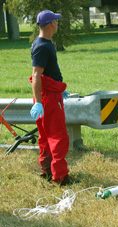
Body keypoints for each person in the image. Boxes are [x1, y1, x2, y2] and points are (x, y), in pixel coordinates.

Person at [30, 10, 76, 186]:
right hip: (48, 98)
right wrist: (40, 102)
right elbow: (36, 75)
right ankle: (60, 178)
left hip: (48, 94)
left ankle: (47, 171)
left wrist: (58, 87)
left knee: (46, 136)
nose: (57, 23)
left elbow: (44, 74)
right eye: (56, 21)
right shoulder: (43, 46)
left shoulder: (41, 43)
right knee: (58, 137)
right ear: (51, 24)